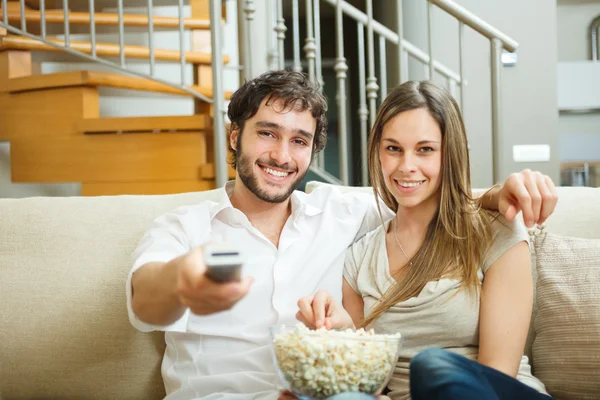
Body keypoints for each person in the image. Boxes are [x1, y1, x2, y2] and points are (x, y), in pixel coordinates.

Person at [127, 70, 558, 400]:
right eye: (267, 133)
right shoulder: (185, 227)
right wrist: (182, 281)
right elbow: (145, 299)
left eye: (299, 140)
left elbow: (430, 197)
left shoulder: (340, 213)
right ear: (235, 135)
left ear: (313, 151)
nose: (281, 154)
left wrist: (498, 195)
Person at [296, 80, 554, 400]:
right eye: (393, 148)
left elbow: (497, 373)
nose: (407, 166)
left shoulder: (496, 231)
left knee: (431, 366)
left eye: (425, 149)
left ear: (450, 154)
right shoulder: (359, 258)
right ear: (378, 152)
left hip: (491, 393)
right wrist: (340, 330)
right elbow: (371, 382)